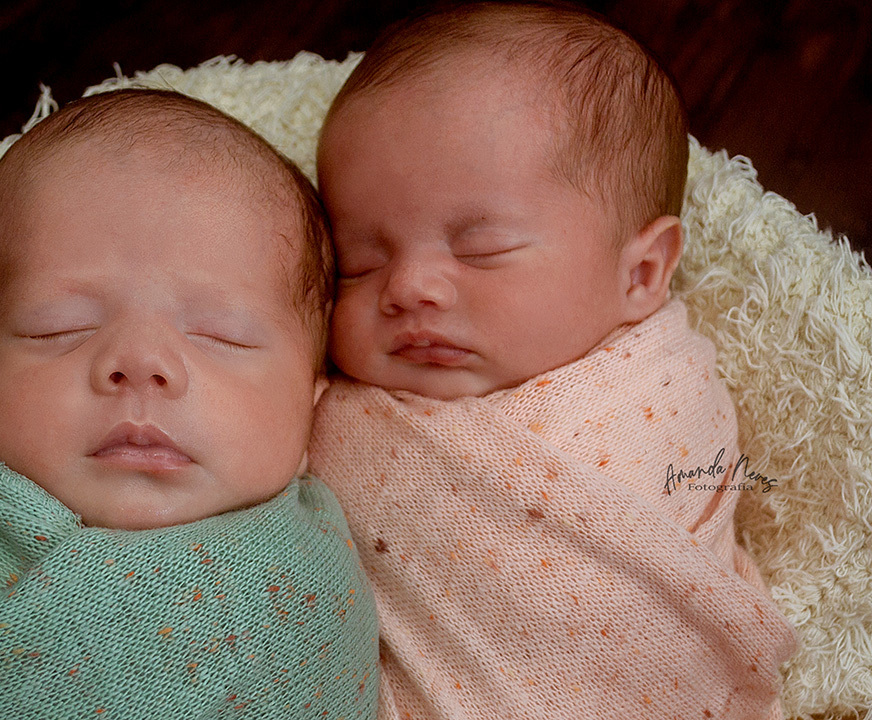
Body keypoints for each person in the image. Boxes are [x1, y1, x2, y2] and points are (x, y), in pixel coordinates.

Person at [307, 2, 795, 719]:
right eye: (358, 262)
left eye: (481, 250)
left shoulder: (659, 392)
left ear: (640, 275)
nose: (407, 287)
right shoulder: (329, 407)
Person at [0, 88, 378, 720]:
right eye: (60, 327)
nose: (141, 361)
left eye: (221, 336)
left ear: (310, 411)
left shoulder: (309, 590)